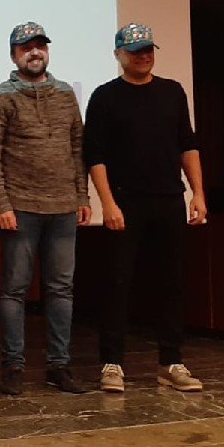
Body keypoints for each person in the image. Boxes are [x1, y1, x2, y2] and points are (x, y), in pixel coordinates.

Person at [84, 22, 208, 394]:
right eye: (135, 50)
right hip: (126, 202)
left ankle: (171, 362)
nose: (143, 55)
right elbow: (95, 155)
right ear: (118, 54)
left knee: (171, 283)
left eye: (148, 49)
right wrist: (107, 203)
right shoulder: (105, 96)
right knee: (118, 283)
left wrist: (198, 193)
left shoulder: (172, 92)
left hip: (169, 199)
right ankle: (112, 363)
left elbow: (187, 144)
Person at [0, 22, 91, 397]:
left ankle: (59, 366)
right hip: (20, 208)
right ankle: (13, 366)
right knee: (14, 290)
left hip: (63, 207)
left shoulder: (65, 94)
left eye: (40, 45)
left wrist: (82, 197)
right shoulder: (0, 97)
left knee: (62, 289)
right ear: (13, 54)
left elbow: (77, 149)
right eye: (26, 47)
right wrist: (0, 203)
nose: (35, 52)